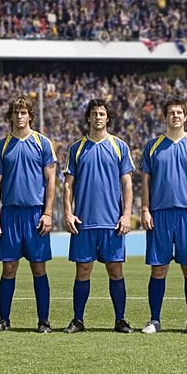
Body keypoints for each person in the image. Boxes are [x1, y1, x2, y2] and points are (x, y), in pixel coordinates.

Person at [62, 99, 135, 333]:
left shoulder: (119, 146)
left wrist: (126, 215)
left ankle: (120, 320)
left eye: (102, 113)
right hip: (84, 221)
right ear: (88, 118)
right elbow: (67, 186)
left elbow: (127, 183)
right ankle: (78, 320)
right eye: (94, 113)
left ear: (107, 118)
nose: (98, 117)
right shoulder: (77, 148)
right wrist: (68, 213)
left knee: (115, 270)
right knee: (83, 270)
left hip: (112, 221)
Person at [139, 97, 187, 334]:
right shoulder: (153, 146)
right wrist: (145, 209)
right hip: (160, 215)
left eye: (179, 112)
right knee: (158, 269)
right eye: (171, 112)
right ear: (165, 117)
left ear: (185, 117)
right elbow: (146, 182)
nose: (176, 116)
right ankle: (154, 320)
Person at [0, 96, 56, 333]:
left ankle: (44, 321)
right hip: (10, 215)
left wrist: (48, 213)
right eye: (16, 112)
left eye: (24, 112)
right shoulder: (2, 146)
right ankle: (4, 319)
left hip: (35, 214)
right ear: (11, 116)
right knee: (8, 268)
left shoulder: (42, 143)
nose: (20, 116)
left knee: (39, 268)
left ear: (30, 115)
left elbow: (51, 180)